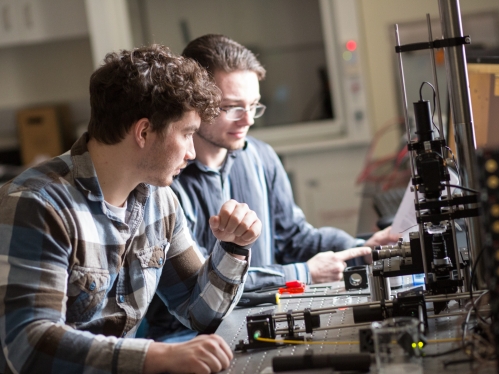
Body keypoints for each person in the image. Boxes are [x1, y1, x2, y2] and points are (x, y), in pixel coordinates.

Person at [0, 44, 263, 374]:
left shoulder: (160, 201)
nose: (192, 153)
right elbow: (29, 345)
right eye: (187, 134)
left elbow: (200, 311)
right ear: (144, 131)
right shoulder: (35, 204)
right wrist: (155, 357)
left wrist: (234, 247)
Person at [144, 34, 398, 341]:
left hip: (264, 313)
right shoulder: (165, 180)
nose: (248, 120)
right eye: (232, 108)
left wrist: (361, 248)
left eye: (253, 106)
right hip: (187, 336)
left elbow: (294, 239)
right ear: (196, 103)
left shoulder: (261, 157)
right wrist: (304, 274)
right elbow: (204, 290)